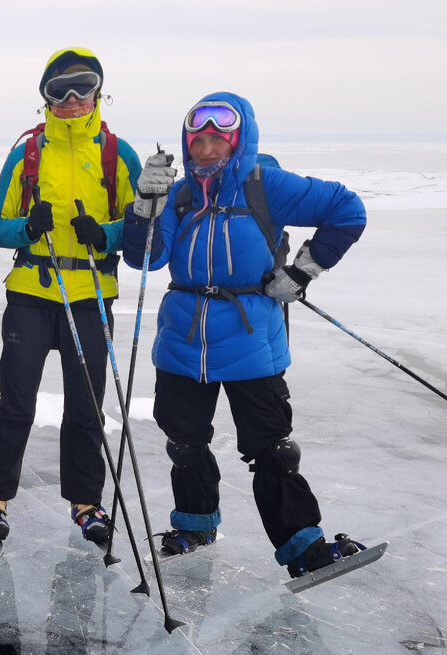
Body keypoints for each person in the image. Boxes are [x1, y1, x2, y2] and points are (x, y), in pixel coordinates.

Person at [122, 91, 367, 576]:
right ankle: (194, 525)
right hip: (182, 340)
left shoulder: (264, 185)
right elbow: (144, 258)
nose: (207, 150)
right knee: (184, 442)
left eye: (219, 139)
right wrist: (143, 206)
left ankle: (304, 548)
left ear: (238, 141)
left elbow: (347, 210)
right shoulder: (178, 192)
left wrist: (301, 272)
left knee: (271, 446)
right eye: (199, 140)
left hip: (252, 337)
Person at [0, 47, 140, 548]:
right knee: (16, 401)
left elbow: (139, 230)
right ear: (45, 97)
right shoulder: (28, 151)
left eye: (82, 87)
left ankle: (86, 501)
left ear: (98, 92)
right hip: (32, 292)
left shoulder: (117, 154)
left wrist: (107, 235)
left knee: (88, 404)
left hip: (92, 294)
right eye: (58, 91)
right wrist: (27, 228)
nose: (71, 100)